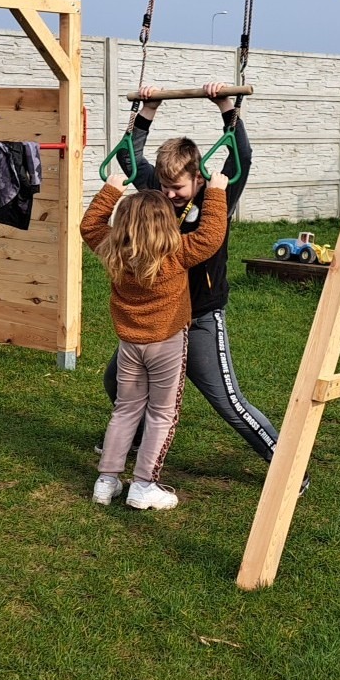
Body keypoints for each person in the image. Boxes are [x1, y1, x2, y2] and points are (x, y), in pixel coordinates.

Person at [106, 82, 293, 486]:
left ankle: (286, 464)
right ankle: (140, 444)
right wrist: (148, 110)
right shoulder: (157, 193)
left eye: (178, 188)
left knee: (226, 400)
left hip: (202, 315)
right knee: (113, 381)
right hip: (161, 320)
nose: (169, 195)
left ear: (198, 177)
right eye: (164, 187)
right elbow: (127, 156)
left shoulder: (217, 195)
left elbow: (241, 154)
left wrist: (225, 105)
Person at [81, 168, 231, 510]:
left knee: (126, 409)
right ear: (166, 224)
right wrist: (217, 192)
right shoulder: (176, 253)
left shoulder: (113, 250)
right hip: (166, 344)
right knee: (162, 413)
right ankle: (144, 485)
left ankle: (106, 481)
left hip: (129, 345)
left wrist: (111, 189)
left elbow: (89, 226)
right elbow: (211, 234)